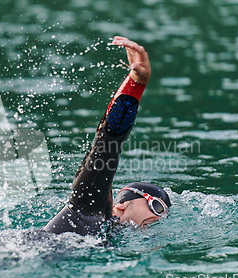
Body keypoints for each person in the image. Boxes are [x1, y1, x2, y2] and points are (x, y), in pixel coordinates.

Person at [44, 36, 171, 236]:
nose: (160, 217)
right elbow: (108, 142)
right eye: (156, 207)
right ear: (121, 206)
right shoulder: (87, 209)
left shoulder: (110, 237)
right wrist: (136, 83)